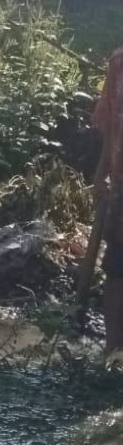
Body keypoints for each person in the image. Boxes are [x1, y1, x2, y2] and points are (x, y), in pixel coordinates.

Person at [92, 43, 123, 356]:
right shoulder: (119, 62)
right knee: (117, 266)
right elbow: (111, 124)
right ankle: (113, 349)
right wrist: (100, 172)